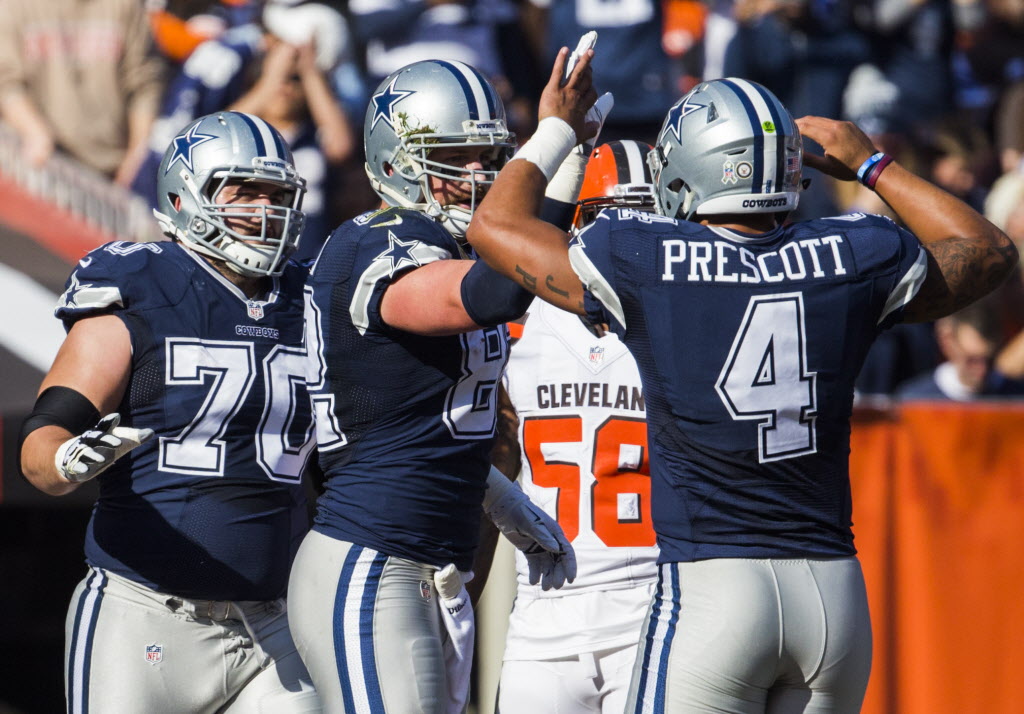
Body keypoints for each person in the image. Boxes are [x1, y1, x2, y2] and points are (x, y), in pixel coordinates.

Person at [467, 48, 1018, 712]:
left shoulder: (645, 259)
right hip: (833, 596)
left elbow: (494, 229)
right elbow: (989, 250)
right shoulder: (853, 252)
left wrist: (554, 126)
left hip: (713, 589)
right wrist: (873, 163)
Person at [288, 59, 576, 714]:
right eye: (456, 156)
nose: (477, 174)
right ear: (397, 159)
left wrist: (495, 493)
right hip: (372, 560)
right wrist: (552, 141)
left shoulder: (451, 248)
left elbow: (419, 420)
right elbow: (502, 289)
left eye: (488, 157)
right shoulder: (379, 242)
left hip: (431, 564)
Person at [18, 111, 321, 713]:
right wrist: (66, 460)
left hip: (277, 624)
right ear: (185, 196)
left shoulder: (310, 298)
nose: (265, 210)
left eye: (276, 193)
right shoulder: (142, 283)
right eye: (243, 192)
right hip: (146, 615)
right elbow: (42, 440)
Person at [496, 139, 660, 714]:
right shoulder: (518, 319)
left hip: (654, 609)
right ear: (573, 222)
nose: (626, 238)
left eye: (644, 218)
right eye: (607, 218)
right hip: (544, 609)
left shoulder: (684, 319)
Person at [896, 300, 1024, 400]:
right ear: (947, 342)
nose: (982, 370)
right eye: (972, 360)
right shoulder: (915, 401)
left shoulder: (1014, 398)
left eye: (989, 360)